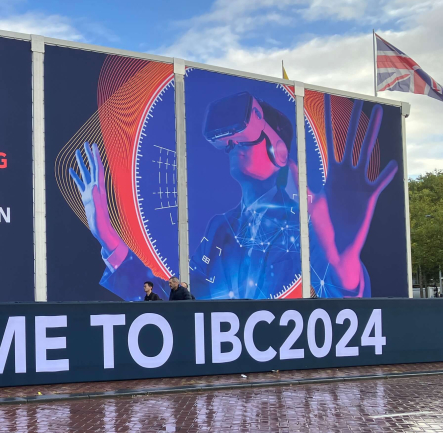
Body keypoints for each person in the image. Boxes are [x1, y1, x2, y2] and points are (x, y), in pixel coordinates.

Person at [70, 91, 396, 300]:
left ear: (277, 149)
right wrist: (110, 240)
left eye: (241, 142)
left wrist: (343, 267)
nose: (231, 148)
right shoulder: (221, 229)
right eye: (227, 144)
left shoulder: (311, 223)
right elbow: (181, 305)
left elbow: (343, 313)